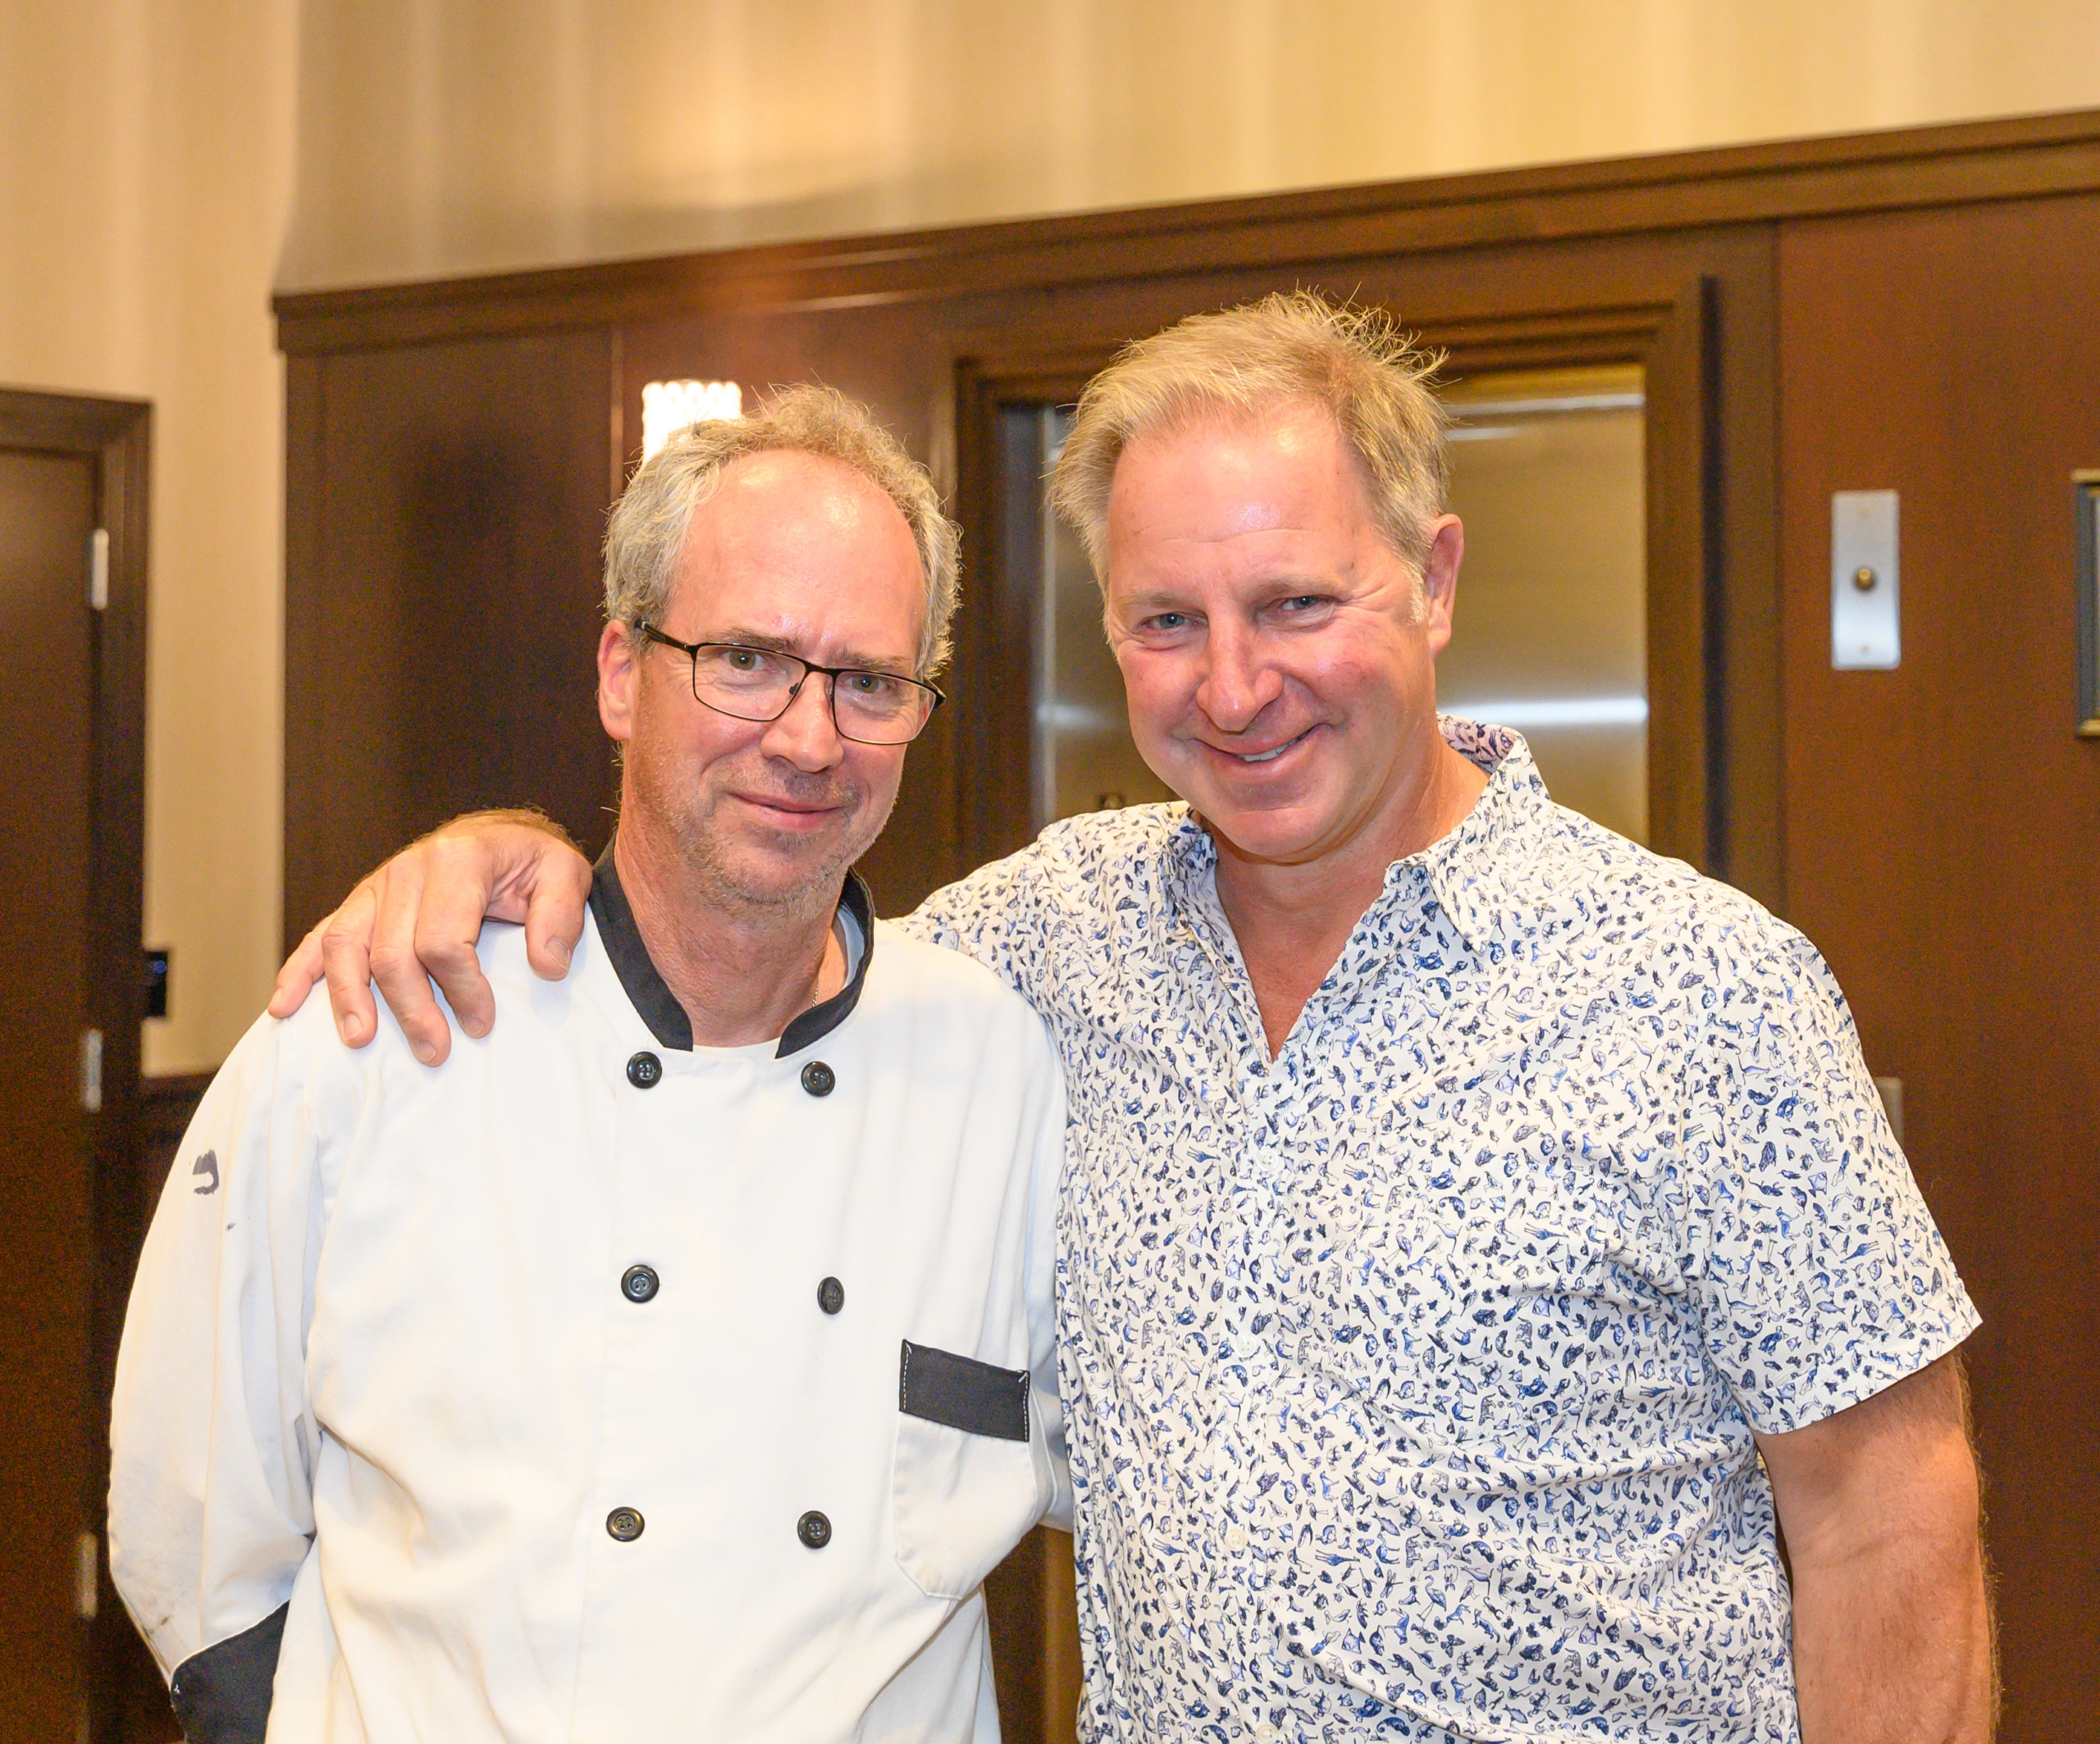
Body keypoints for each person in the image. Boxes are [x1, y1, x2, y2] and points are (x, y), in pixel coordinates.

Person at [275, 294, 1996, 1743]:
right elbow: (746, 955)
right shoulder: (1036, 947)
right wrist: (494, 857)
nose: (1233, 687)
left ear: (1433, 578)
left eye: (1295, 605)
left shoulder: (1704, 992)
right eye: (1167, 622)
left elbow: (1885, 1522)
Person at [110, 386, 1071, 1744]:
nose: (808, 737)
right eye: (744, 658)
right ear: (622, 671)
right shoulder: (371, 1029)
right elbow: (195, 1531)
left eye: (868, 681)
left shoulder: (1005, 1070)